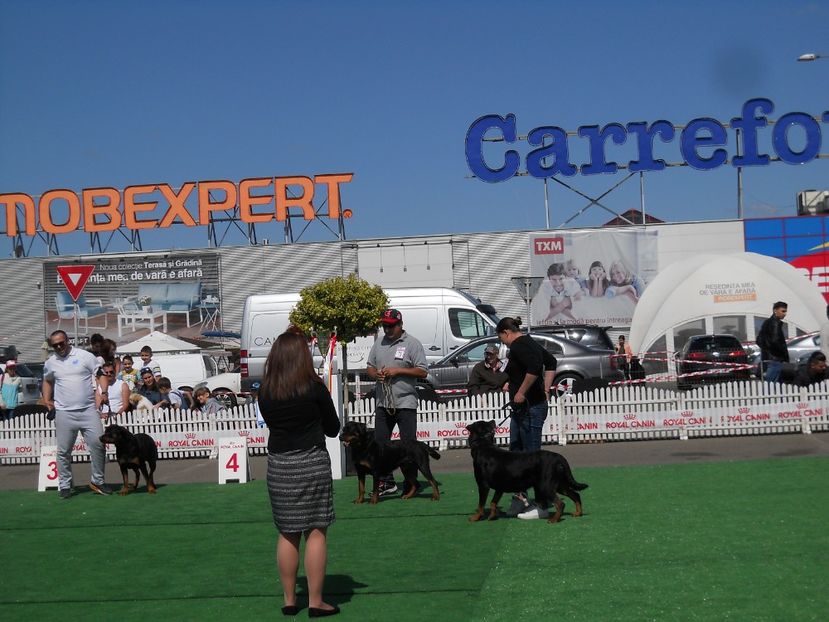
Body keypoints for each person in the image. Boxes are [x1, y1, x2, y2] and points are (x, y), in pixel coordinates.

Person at [257, 331, 341, 617]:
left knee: (287, 532)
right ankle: (316, 602)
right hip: (312, 462)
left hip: (279, 464)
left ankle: (290, 599)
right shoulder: (314, 388)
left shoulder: (265, 391)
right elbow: (333, 428)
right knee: (316, 531)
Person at [495, 317, 557, 520]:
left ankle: (542, 505)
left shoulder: (518, 345)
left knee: (532, 458)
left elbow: (534, 367)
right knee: (516, 453)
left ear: (506, 332)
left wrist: (521, 392)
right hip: (523, 409)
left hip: (530, 408)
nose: (502, 342)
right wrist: (545, 389)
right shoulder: (529, 342)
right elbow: (551, 362)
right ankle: (520, 497)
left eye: (500, 338)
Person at [41, 330, 110, 499]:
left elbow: (100, 374)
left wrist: (104, 393)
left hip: (88, 410)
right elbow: (47, 381)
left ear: (67, 341)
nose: (59, 347)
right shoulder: (51, 362)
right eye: (55, 345)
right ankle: (64, 485)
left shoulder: (85, 356)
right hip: (64, 413)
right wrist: (47, 400)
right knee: (64, 451)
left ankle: (97, 481)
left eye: (61, 343)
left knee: (98, 445)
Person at [366, 308, 428, 496]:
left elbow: (423, 371)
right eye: (384, 325)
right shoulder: (379, 343)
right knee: (380, 445)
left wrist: (398, 371)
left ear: (400, 325)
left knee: (408, 446)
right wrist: (375, 374)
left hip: (405, 403)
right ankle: (386, 482)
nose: (387, 329)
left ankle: (411, 483)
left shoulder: (412, 344)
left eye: (391, 326)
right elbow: (369, 367)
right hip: (383, 403)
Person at [756, 301, 789, 383]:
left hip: (769, 359)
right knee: (772, 386)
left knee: (772, 385)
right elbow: (775, 341)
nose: (785, 314)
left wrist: (766, 349)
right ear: (775, 310)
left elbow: (759, 340)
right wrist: (781, 352)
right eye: (783, 311)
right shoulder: (775, 323)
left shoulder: (767, 322)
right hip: (776, 359)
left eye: (785, 311)